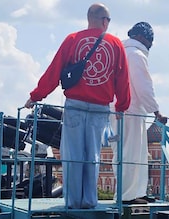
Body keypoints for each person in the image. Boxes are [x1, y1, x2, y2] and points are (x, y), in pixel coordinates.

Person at [24, 3, 131, 209]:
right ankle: (90, 200)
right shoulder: (116, 44)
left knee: (72, 154)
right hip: (100, 108)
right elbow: (122, 79)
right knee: (93, 155)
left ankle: (73, 202)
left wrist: (35, 96)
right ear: (105, 21)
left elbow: (54, 71)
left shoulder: (73, 39)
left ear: (88, 18)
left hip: (75, 105)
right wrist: (121, 107)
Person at [111, 22, 167, 204]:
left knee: (122, 152)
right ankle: (129, 195)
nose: (151, 44)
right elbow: (143, 87)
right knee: (133, 153)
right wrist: (156, 110)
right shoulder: (136, 55)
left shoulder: (118, 51)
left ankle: (131, 193)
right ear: (142, 37)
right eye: (151, 40)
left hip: (115, 110)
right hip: (131, 110)